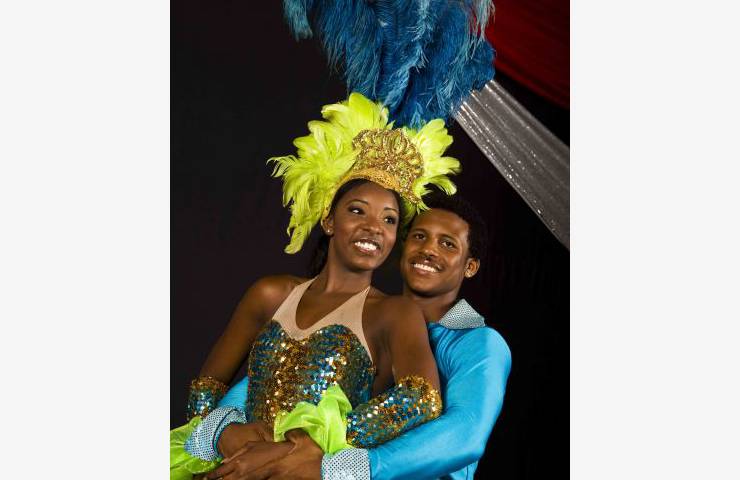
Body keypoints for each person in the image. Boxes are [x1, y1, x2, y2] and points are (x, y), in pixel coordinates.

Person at [171, 93, 462, 480]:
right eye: (357, 210)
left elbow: (421, 398)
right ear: (329, 220)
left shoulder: (393, 313)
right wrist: (221, 434)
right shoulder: (271, 294)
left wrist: (305, 448)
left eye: (389, 220)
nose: (374, 227)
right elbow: (207, 386)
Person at [204, 192, 512, 480]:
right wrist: (224, 432)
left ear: (470, 267)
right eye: (419, 236)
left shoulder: (479, 342)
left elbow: (465, 434)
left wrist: (327, 465)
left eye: (448, 244)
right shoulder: (375, 320)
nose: (429, 250)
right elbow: (269, 380)